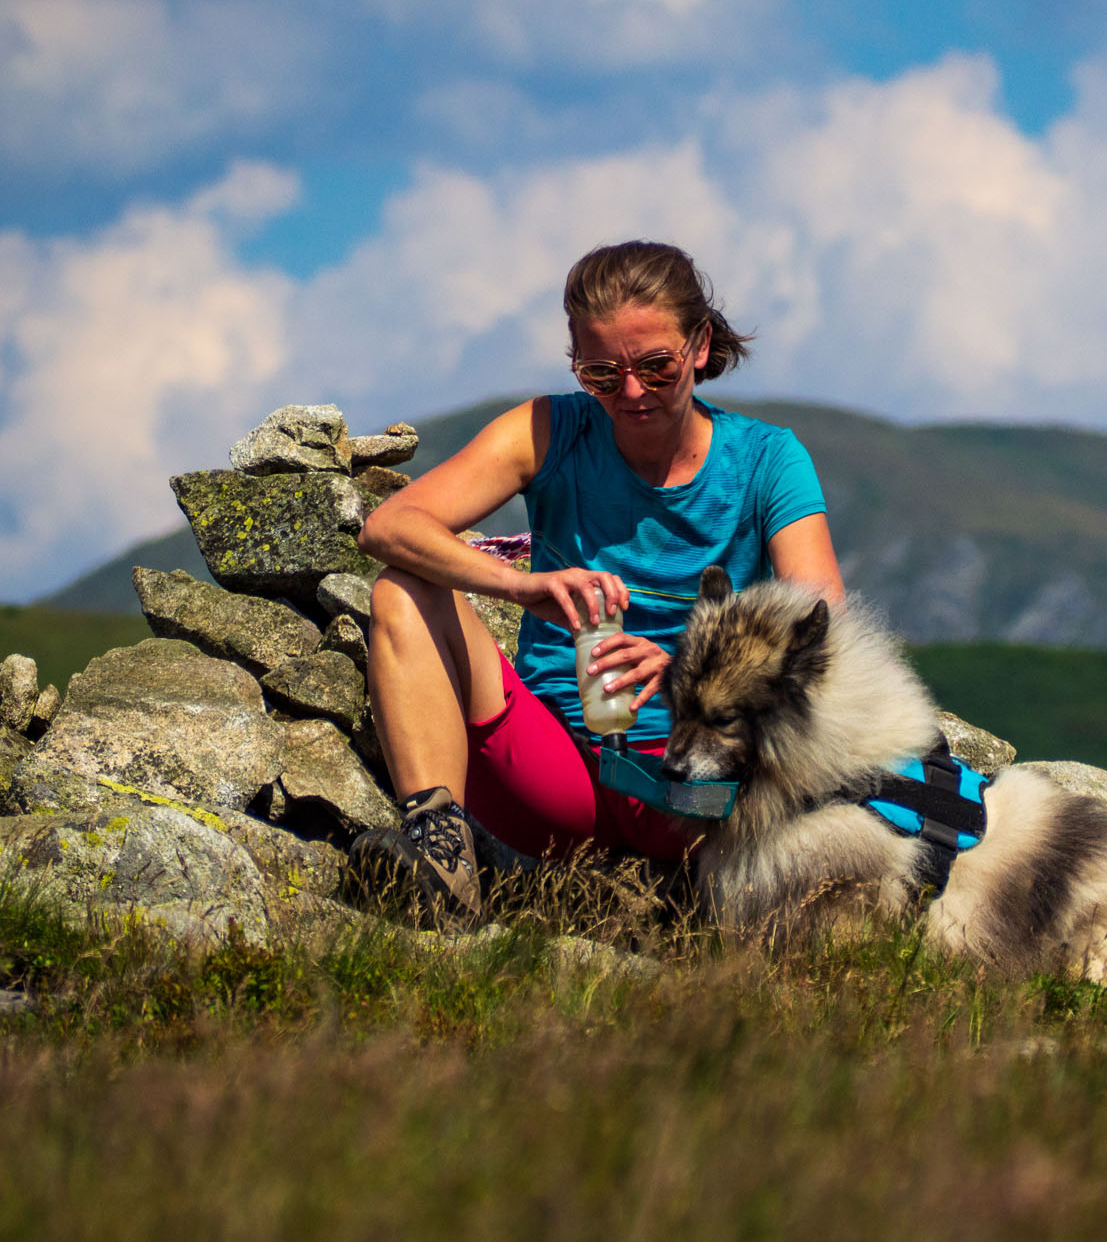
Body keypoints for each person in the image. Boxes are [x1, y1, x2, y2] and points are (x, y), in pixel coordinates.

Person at [351, 240, 845, 917]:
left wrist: (681, 669)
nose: (631, 393)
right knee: (401, 590)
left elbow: (822, 632)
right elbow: (390, 526)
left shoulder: (769, 461)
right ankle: (442, 862)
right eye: (602, 374)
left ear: (700, 346)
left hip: (696, 784)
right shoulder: (549, 430)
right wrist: (522, 587)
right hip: (554, 769)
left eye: (655, 366)